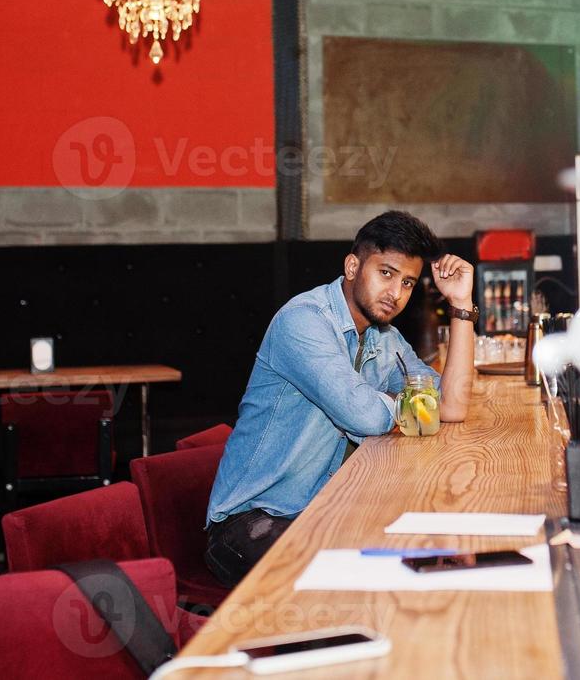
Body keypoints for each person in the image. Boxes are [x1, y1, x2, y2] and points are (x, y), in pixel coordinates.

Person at [203, 211, 476, 587]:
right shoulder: (303, 322)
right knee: (347, 587)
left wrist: (462, 306)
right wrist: (405, 402)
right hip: (252, 522)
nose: (396, 294)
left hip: (324, 511)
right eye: (386, 273)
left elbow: (452, 406)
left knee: (423, 563)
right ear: (352, 266)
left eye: (408, 283)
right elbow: (363, 415)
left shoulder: (384, 337)